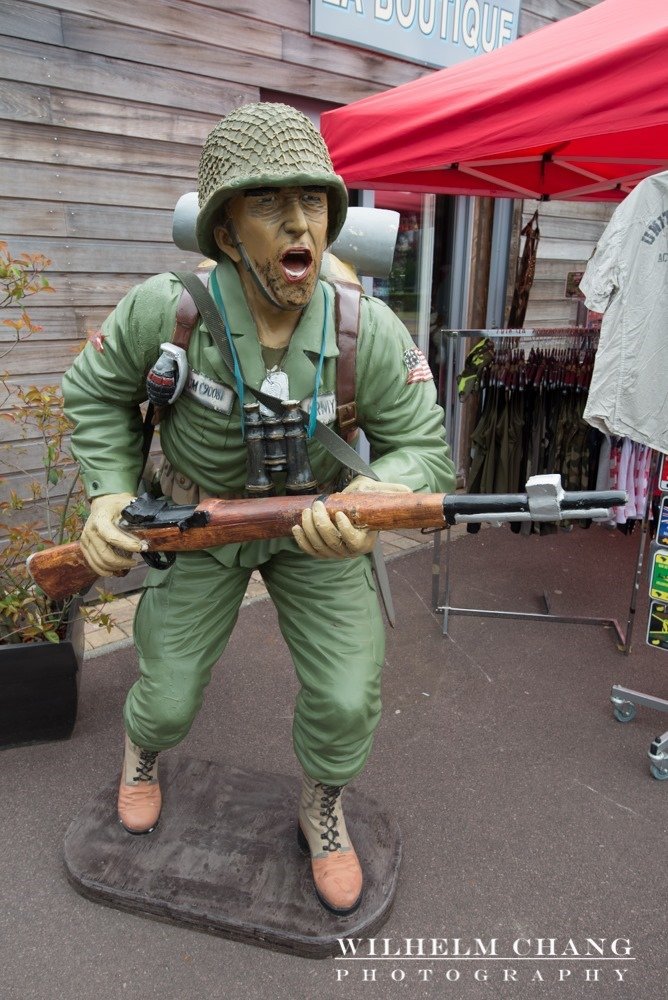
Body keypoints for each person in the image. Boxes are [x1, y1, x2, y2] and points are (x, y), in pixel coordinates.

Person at [62, 103, 455, 917]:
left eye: (311, 201)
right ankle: (143, 753)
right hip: (196, 526)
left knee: (348, 694)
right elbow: (96, 394)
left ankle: (323, 804)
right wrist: (108, 495)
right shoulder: (166, 311)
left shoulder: (363, 327)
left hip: (319, 533)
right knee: (167, 695)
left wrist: (376, 495)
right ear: (226, 225)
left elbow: (424, 446)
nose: (296, 221)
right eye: (268, 201)